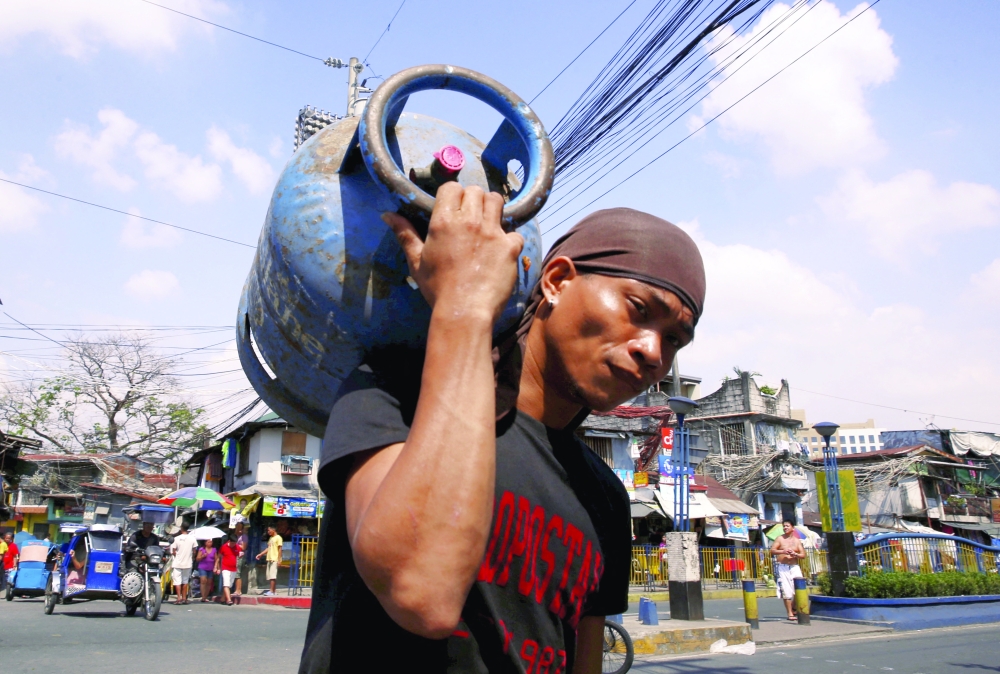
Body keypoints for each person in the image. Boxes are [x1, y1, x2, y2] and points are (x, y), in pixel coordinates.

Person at [299, 185, 706, 673]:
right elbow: (421, 592)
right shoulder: (395, 391)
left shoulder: (605, 497)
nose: (652, 352)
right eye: (638, 310)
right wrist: (467, 305)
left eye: (674, 341)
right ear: (555, 280)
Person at [770, 519, 806, 620]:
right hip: (783, 567)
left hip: (794, 566)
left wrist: (796, 554)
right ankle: (790, 613)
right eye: (784, 526)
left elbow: (803, 555)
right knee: (786, 591)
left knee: (799, 589)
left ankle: (794, 607)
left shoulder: (797, 541)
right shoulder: (780, 539)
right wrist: (783, 551)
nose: (785, 528)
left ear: (792, 528)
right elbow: (772, 551)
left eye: (787, 526)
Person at [169, 523, 197, 605]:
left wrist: (177, 554)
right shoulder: (192, 539)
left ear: (181, 528)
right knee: (185, 581)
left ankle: (178, 598)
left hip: (177, 563)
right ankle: (184, 598)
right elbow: (194, 551)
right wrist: (191, 557)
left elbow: (173, 551)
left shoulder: (176, 539)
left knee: (177, 581)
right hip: (187, 563)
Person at [255, 526, 282, 596]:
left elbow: (280, 549)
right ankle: (273, 591)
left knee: (272, 576)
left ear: (273, 530)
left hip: (274, 559)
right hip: (269, 558)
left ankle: (271, 591)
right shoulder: (271, 538)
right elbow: (268, 548)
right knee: (271, 576)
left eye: (269, 530)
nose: (268, 532)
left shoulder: (278, 538)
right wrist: (261, 554)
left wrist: (279, 559)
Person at [218, 535, 240, 605]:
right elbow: (219, 557)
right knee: (226, 584)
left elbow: (238, 554)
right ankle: (229, 600)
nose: (233, 545)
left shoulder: (237, 547)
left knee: (229, 585)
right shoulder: (224, 547)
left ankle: (223, 599)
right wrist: (217, 567)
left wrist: (240, 554)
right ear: (229, 541)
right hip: (225, 568)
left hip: (233, 568)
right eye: (232, 543)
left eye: (234, 543)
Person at [196, 538, 217, 602]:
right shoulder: (202, 549)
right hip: (202, 567)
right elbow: (197, 559)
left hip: (210, 568)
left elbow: (216, 559)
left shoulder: (214, 549)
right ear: (205, 543)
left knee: (209, 582)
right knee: (203, 581)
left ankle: (205, 596)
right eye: (208, 542)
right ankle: (203, 597)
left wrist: (216, 567)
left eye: (211, 542)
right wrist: (202, 556)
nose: (210, 543)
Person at [234, 521, 248, 597]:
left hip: (240, 556)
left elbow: (243, 547)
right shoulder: (236, 536)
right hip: (235, 555)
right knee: (236, 573)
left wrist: (235, 545)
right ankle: (236, 589)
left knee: (238, 573)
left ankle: (238, 590)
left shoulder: (244, 536)